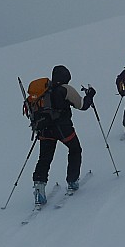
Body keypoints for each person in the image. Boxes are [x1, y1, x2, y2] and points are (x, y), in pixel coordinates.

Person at [32, 65, 96, 205]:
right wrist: (90, 95)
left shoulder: (44, 91)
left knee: (44, 158)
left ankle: (39, 188)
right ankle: (72, 181)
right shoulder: (65, 89)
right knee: (75, 150)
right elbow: (82, 105)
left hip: (44, 130)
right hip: (63, 128)